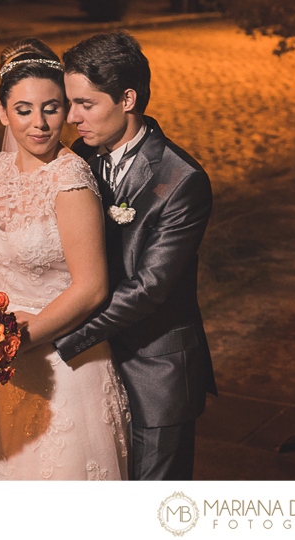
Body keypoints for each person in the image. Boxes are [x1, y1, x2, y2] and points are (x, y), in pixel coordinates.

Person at [0, 38, 131, 480]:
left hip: (57, 365)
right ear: (2, 112)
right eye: (24, 110)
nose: (39, 124)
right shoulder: (0, 169)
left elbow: (91, 288)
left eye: (51, 108)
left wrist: (15, 340)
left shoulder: (70, 181)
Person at [53, 31, 217, 480]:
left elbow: (149, 289)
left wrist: (60, 337)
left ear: (127, 98)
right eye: (70, 103)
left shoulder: (182, 181)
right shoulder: (79, 157)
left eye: (85, 104)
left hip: (154, 374)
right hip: (90, 376)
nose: (72, 118)